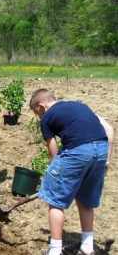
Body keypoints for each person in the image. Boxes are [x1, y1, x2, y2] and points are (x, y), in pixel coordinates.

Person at [29, 89, 114, 255]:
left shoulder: (46, 118)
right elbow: (109, 129)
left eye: (35, 112)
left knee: (55, 200)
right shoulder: (79, 105)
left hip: (78, 151)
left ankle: (54, 250)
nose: (37, 116)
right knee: (86, 201)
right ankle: (88, 248)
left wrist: (52, 178)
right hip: (101, 150)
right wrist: (107, 161)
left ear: (42, 106)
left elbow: (53, 154)